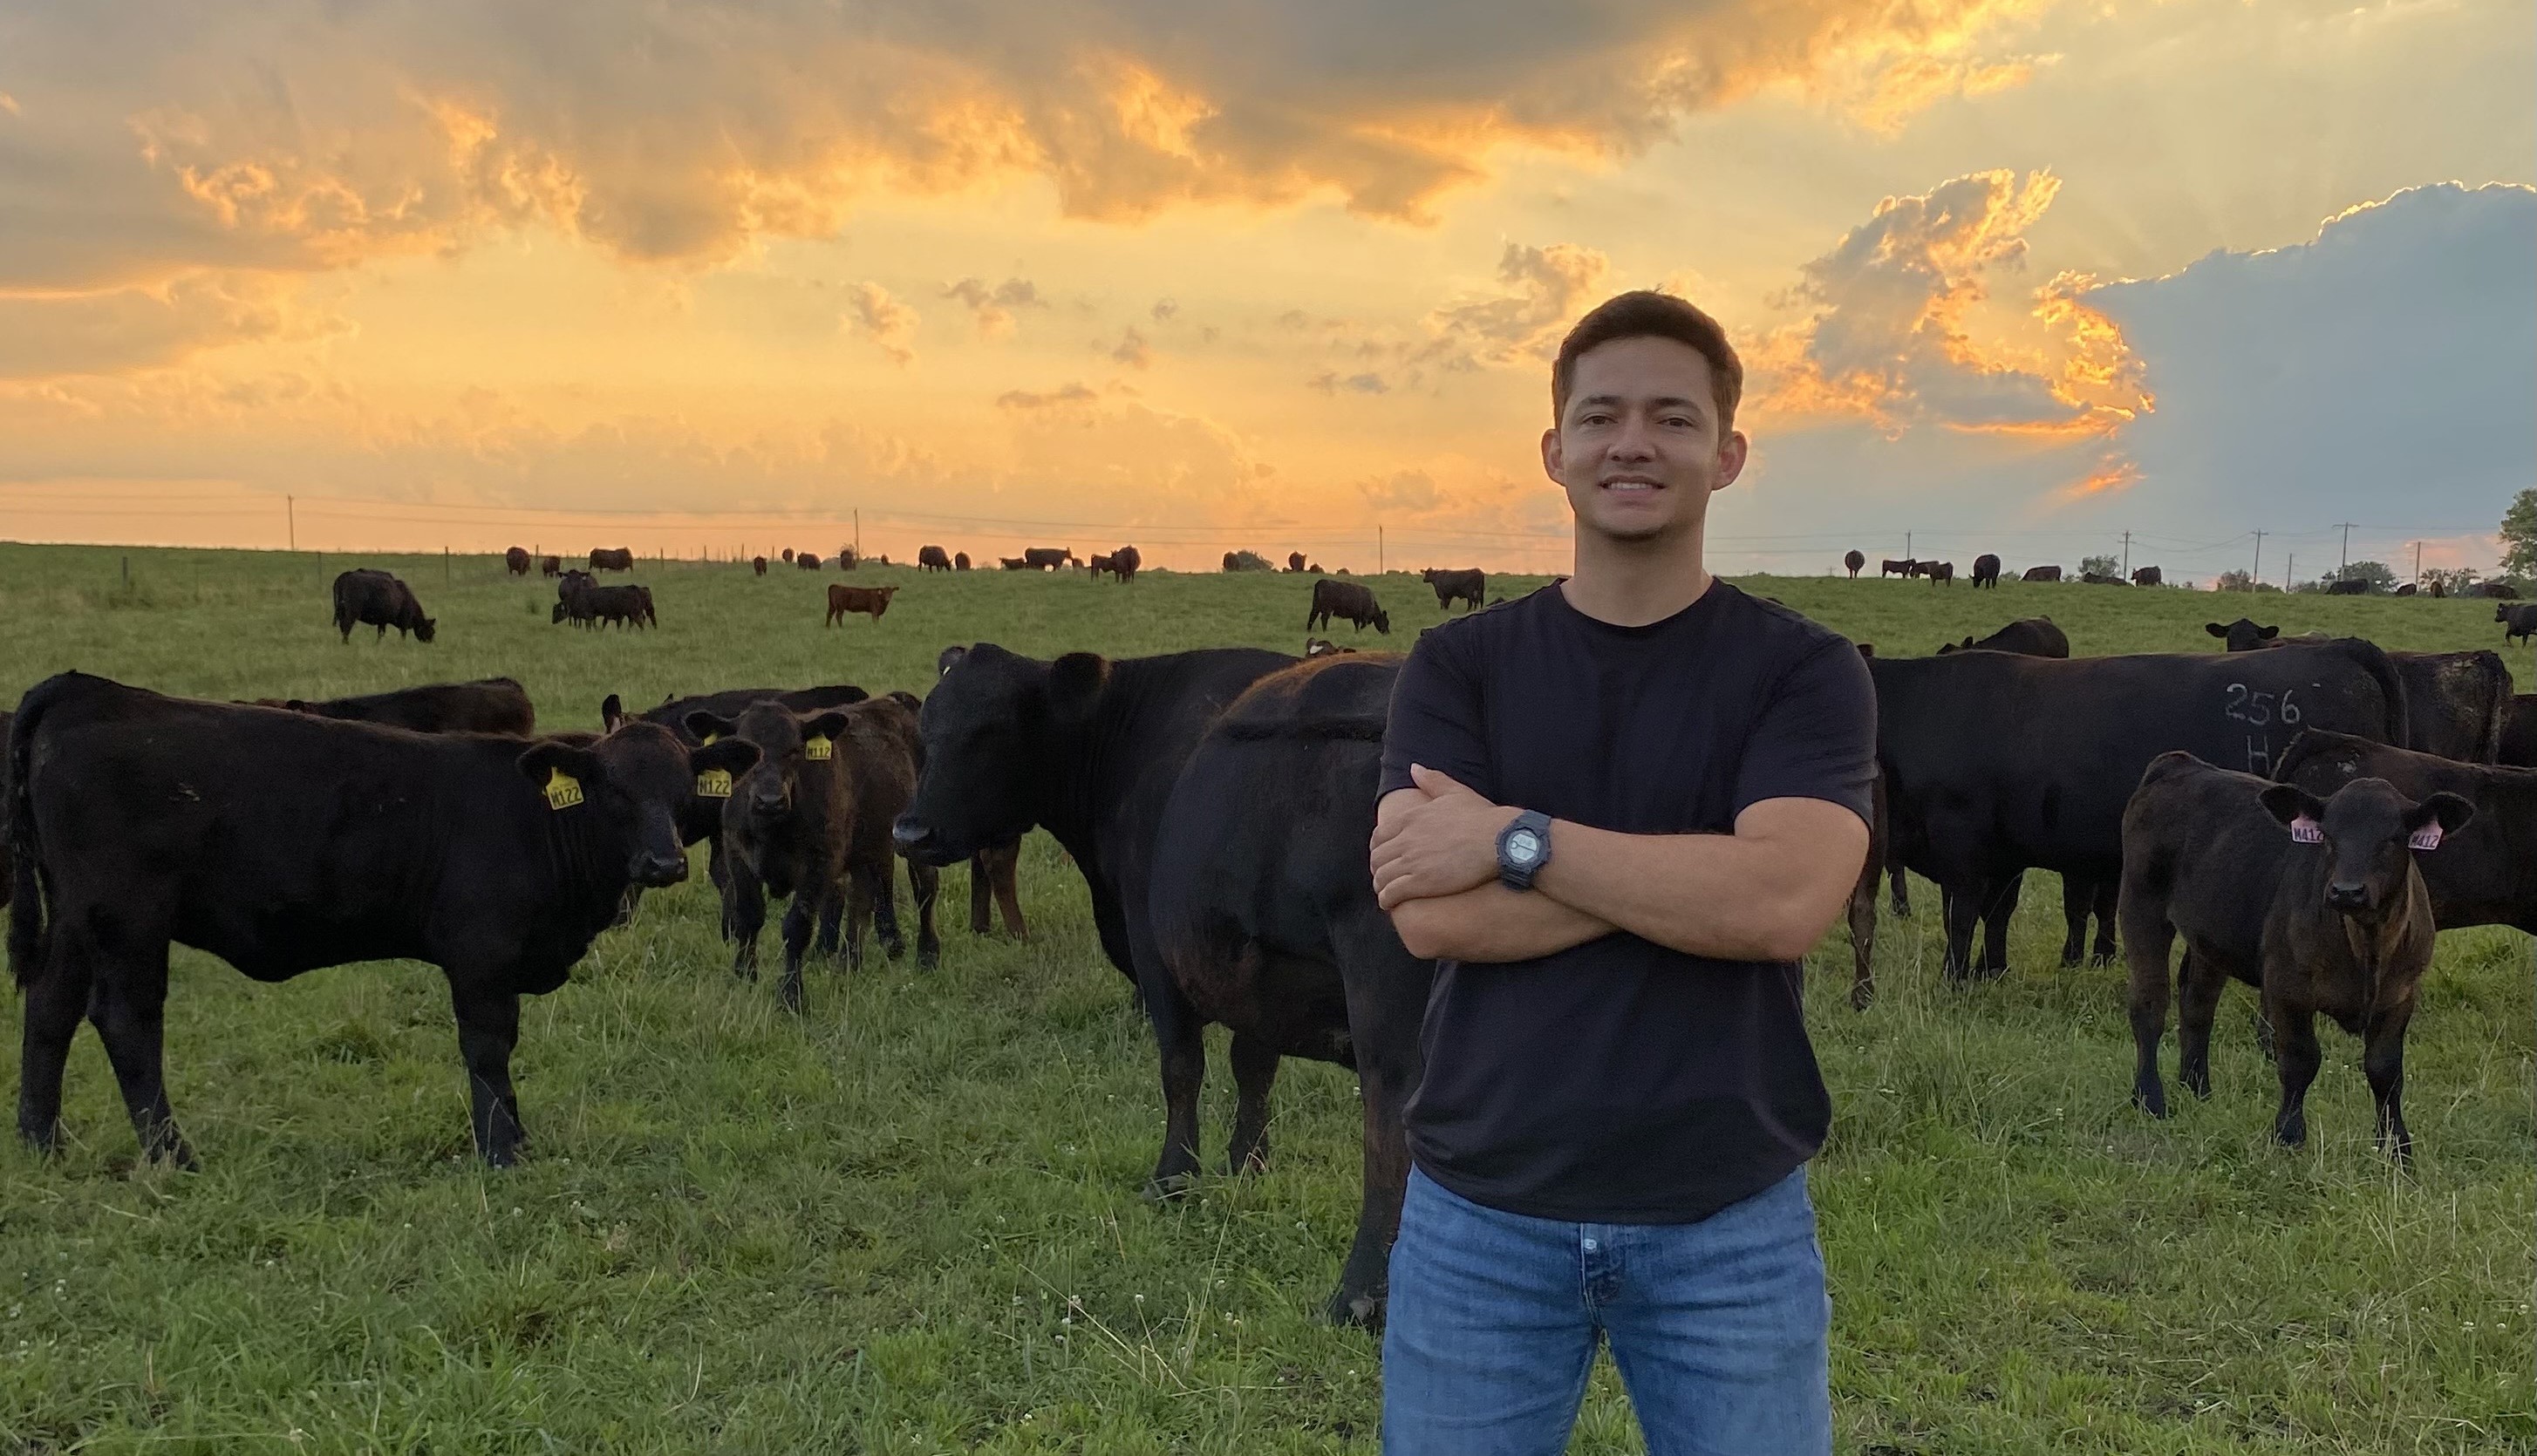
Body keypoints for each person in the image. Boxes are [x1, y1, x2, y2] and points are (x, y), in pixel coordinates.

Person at [1368, 290, 1876, 1454]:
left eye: (1670, 417)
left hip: (1725, 1216)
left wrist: (1515, 841)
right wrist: (1697, 877)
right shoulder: (1458, 665)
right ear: (1554, 451)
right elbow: (1429, 917)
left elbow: (1782, 906)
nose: (1631, 441)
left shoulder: (1802, 670)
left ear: (1727, 454)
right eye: (1600, 416)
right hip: (1478, 1212)